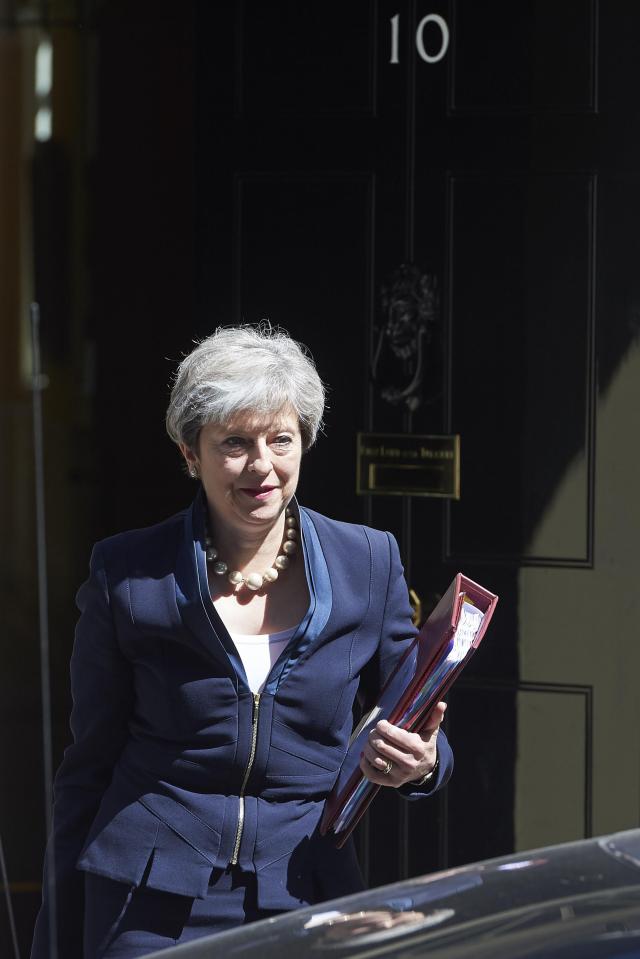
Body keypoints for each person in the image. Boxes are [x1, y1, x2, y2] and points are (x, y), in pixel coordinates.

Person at [31, 325, 453, 959]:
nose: (262, 466)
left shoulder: (367, 562)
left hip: (307, 889)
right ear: (190, 452)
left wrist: (424, 764)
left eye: (280, 440)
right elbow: (87, 766)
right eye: (234, 443)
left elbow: (417, 719)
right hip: (148, 896)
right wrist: (54, 937)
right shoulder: (126, 574)